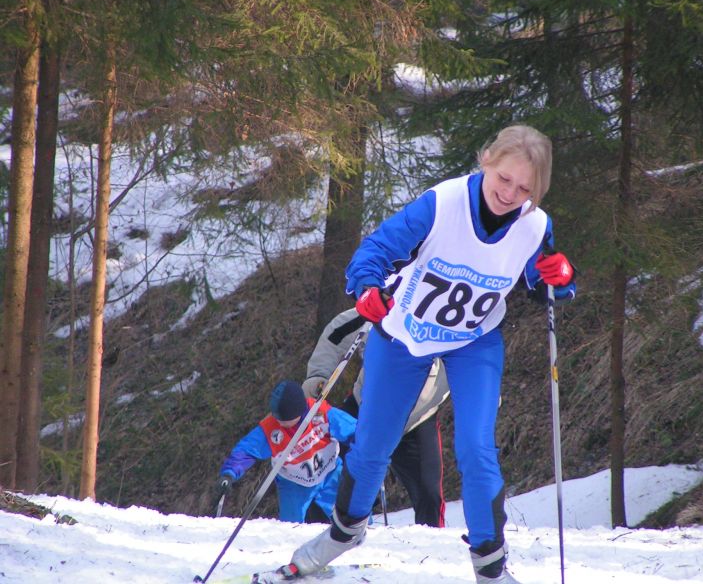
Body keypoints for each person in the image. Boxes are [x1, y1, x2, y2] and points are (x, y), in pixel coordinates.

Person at [284, 125, 576, 584]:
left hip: (473, 341)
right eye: (504, 178)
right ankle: (343, 533)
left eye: (524, 188)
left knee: (477, 450)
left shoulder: (535, 223)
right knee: (372, 448)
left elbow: (544, 279)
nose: (510, 193)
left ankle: (490, 567)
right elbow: (375, 251)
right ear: (486, 162)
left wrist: (560, 277)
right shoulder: (442, 204)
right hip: (405, 334)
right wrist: (367, 290)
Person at [303, 308, 449, 528]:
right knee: (326, 471)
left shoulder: (461, 327)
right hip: (365, 411)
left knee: (429, 492)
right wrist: (318, 376)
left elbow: (476, 367)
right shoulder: (396, 305)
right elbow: (337, 333)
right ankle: (315, 532)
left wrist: (483, 401)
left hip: (415, 421)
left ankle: (431, 549)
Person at [215, 379, 356, 523]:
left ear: (298, 412)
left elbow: (351, 430)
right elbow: (247, 450)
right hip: (293, 482)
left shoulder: (321, 413)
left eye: (284, 419)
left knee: (350, 512)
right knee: (290, 524)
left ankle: (365, 537)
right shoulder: (271, 428)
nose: (280, 422)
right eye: (277, 417)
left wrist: (367, 448)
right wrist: (229, 473)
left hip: (329, 471)